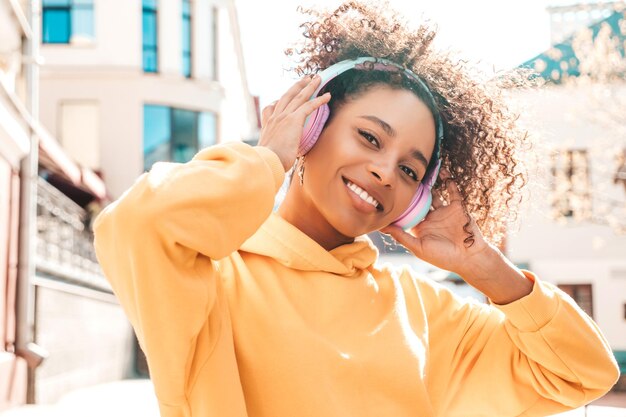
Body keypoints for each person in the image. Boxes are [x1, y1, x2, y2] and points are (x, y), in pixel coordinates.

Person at [93, 2, 619, 416]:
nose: (387, 172)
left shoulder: (423, 311)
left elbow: (582, 373)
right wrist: (266, 157)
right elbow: (135, 225)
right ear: (311, 127)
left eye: (411, 171)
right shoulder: (211, 279)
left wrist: (481, 263)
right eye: (369, 137)